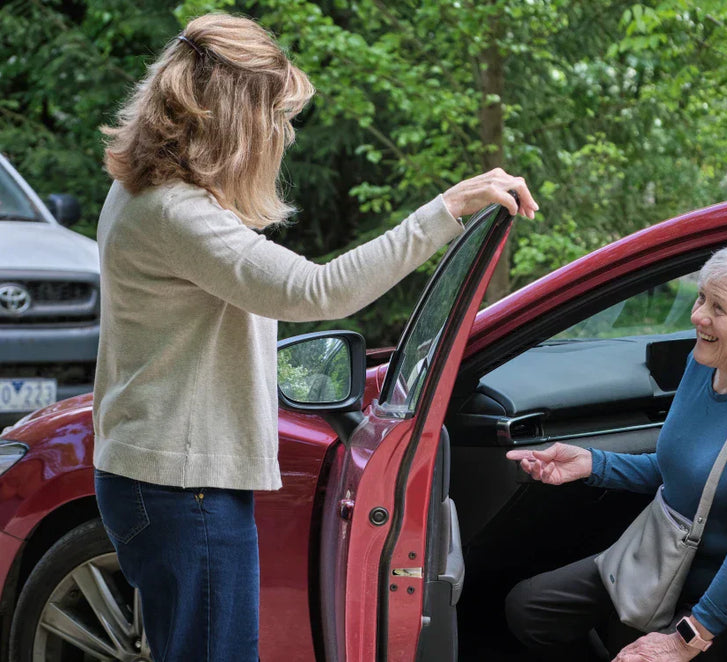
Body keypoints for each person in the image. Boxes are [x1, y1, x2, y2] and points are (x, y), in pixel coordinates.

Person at [91, 13, 537, 662]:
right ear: (237, 117)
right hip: (183, 487)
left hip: (162, 478)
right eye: (276, 116)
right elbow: (316, 291)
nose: (283, 133)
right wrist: (446, 211)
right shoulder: (175, 213)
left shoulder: (145, 194)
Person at [504, 242, 727, 662]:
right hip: (657, 559)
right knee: (531, 609)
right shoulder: (704, 362)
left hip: (713, 595)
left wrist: (687, 639)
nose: (697, 315)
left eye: (718, 308)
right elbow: (679, 470)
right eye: (701, 297)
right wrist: (591, 464)